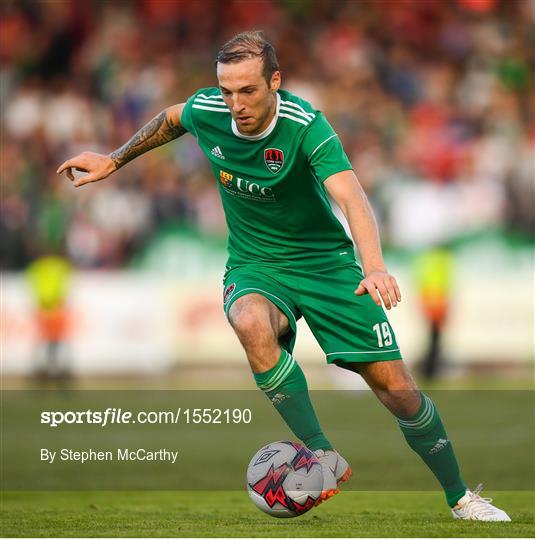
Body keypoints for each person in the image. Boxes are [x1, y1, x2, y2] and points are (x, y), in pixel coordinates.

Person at [58, 30, 509, 521]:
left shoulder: (305, 125)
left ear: (275, 81)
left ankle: (460, 497)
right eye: (226, 91)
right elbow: (170, 119)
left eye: (247, 91)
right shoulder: (209, 111)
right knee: (248, 319)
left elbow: (352, 197)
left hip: (326, 265)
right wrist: (114, 159)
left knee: (397, 390)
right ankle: (321, 456)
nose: (235, 104)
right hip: (256, 265)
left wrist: (374, 265)